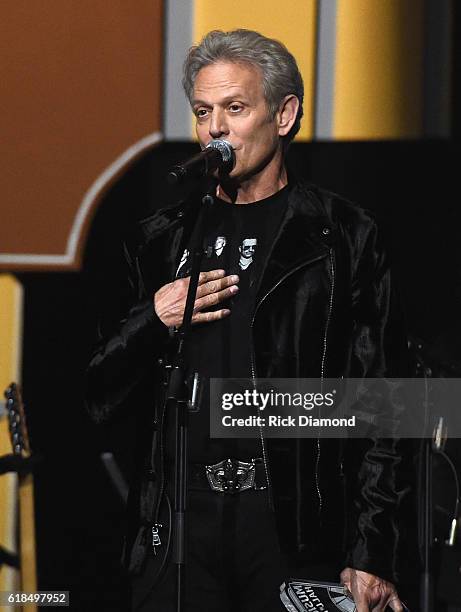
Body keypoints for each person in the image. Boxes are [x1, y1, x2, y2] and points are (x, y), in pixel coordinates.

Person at [87, 29, 414, 611]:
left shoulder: (343, 237)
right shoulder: (160, 240)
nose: (216, 128)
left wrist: (372, 551)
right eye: (203, 111)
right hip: (179, 528)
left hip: (287, 528)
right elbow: (99, 395)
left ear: (284, 115)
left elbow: (387, 403)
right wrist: (152, 318)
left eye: (235, 108)